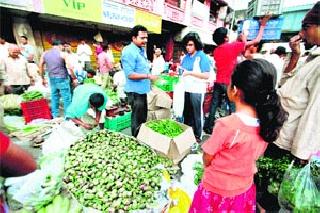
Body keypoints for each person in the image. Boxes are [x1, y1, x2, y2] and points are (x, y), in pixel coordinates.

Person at [189, 59, 287, 212]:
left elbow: (208, 157)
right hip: (243, 189)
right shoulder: (267, 122)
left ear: (234, 90)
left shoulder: (226, 125)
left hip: (216, 189)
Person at [257, 2, 320, 211]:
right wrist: (295, 54)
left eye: (306, 27)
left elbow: (315, 113)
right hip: (279, 130)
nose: (302, 33)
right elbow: (286, 82)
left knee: (272, 191)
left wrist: (300, 154)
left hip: (289, 141)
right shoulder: (312, 56)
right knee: (263, 183)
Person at [203, 15, 271, 135]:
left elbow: (233, 48)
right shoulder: (232, 47)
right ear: (225, 38)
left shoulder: (217, 50)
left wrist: (239, 40)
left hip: (218, 81)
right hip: (229, 83)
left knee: (214, 105)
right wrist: (262, 25)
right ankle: (233, 129)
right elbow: (256, 41)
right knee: (233, 106)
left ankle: (208, 127)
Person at [121, 25, 157, 137]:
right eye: (142, 38)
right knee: (137, 119)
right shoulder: (129, 51)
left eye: (146, 38)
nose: (145, 40)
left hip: (142, 90)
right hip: (135, 91)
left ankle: (141, 137)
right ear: (134, 38)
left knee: (142, 117)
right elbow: (130, 74)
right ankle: (137, 140)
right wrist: (147, 76)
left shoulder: (141, 50)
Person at [180, 32, 211, 141]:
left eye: (190, 45)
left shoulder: (202, 57)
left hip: (197, 90)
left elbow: (206, 75)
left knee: (197, 113)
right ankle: (187, 133)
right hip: (186, 89)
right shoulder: (186, 57)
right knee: (186, 113)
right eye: (187, 45)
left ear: (196, 44)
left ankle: (198, 135)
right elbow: (182, 71)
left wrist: (190, 73)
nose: (188, 47)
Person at [39, 40, 77, 118]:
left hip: (51, 78)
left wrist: (42, 78)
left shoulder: (45, 54)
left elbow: (40, 66)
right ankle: (68, 117)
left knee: (54, 97)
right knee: (66, 98)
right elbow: (69, 67)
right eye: (63, 46)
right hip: (62, 78)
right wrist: (74, 78)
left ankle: (55, 115)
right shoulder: (63, 54)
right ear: (60, 46)